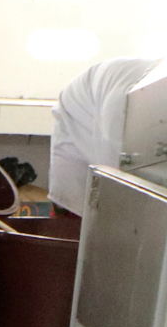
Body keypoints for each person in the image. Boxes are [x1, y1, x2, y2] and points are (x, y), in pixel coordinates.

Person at [45, 56, 154, 218]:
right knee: (77, 201)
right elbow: (118, 181)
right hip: (93, 102)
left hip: (117, 91)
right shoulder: (120, 107)